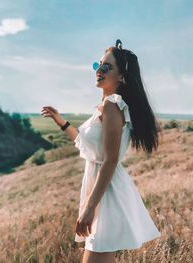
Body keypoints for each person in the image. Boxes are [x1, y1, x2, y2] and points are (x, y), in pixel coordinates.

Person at [41, 39, 161, 263]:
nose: (99, 70)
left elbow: (110, 160)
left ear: (122, 76)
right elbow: (89, 148)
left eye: (107, 67)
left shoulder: (113, 106)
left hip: (106, 194)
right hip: (101, 190)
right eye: (98, 65)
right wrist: (62, 122)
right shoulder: (107, 106)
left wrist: (89, 207)